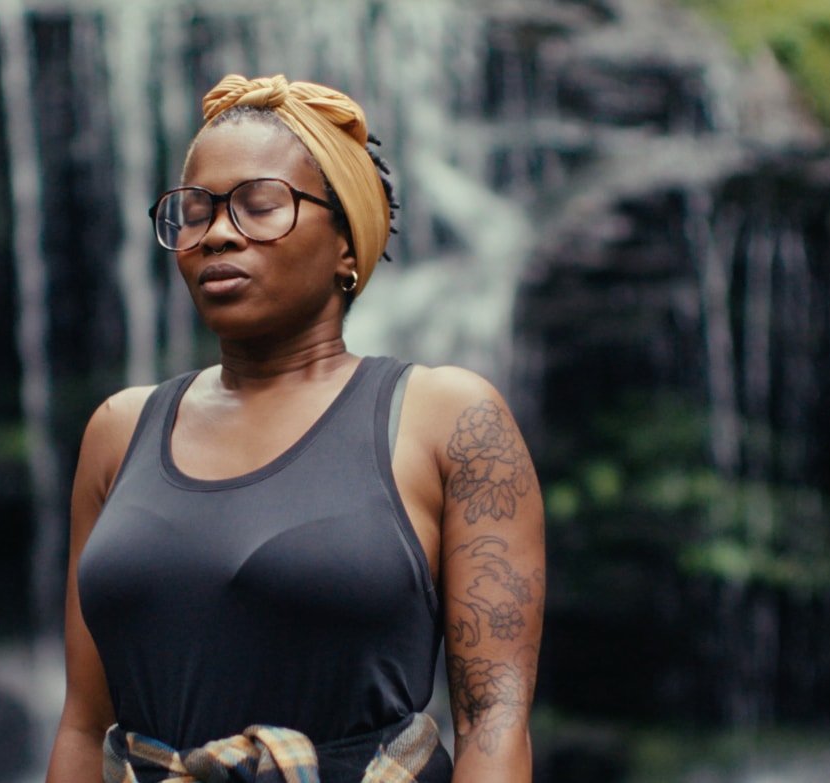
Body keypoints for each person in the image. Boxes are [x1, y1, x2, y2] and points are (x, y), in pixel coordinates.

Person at [46, 73, 545, 783]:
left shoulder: (448, 418)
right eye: (194, 211)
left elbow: (494, 724)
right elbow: (81, 723)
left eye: (260, 206)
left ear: (347, 244)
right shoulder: (119, 429)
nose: (217, 233)